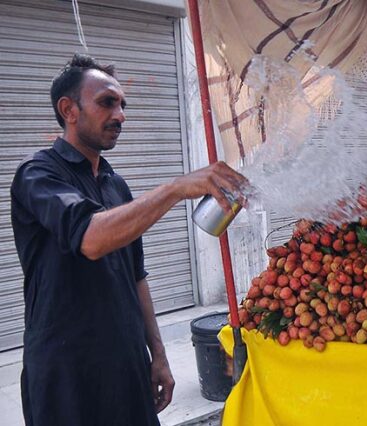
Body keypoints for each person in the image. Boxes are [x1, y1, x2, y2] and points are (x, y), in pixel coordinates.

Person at [11, 53, 245, 426]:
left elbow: (137, 276)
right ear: (69, 110)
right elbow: (90, 238)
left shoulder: (115, 184)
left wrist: (158, 355)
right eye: (107, 102)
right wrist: (175, 188)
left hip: (126, 364)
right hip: (66, 375)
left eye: (122, 105)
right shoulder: (37, 175)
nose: (120, 115)